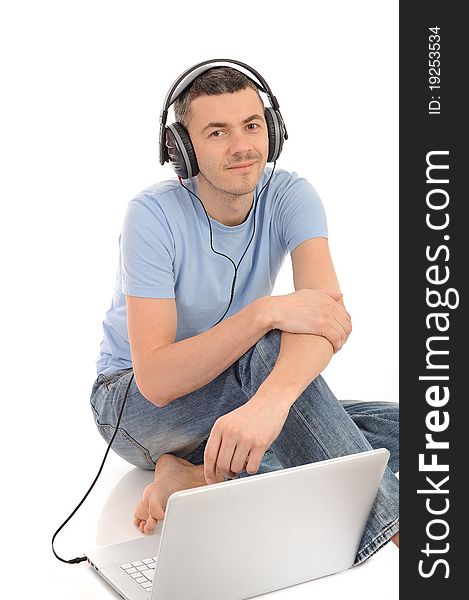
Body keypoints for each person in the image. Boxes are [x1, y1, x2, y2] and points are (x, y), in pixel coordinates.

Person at [89, 59, 399, 566]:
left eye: (253, 125)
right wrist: (263, 314)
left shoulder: (290, 195)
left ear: (272, 131)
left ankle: (196, 473)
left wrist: (270, 405)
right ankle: (404, 533)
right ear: (181, 150)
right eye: (217, 132)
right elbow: (157, 380)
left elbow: (326, 318)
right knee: (271, 351)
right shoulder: (151, 215)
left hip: (237, 395)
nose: (242, 146)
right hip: (133, 406)